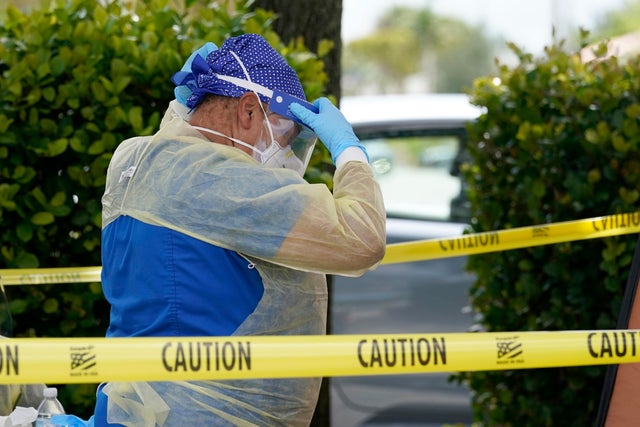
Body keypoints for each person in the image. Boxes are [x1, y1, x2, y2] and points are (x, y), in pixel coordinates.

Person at [94, 33, 386, 426]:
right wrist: (350, 153)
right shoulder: (222, 180)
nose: (284, 157)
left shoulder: (134, 158)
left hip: (133, 410)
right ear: (249, 111)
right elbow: (362, 238)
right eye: (285, 136)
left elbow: (174, 147)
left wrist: (184, 109)